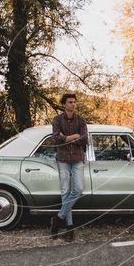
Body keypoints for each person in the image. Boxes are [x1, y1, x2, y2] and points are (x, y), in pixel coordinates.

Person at [50, 93, 88, 241]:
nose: (73, 104)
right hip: (63, 160)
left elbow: (85, 138)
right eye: (70, 102)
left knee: (78, 189)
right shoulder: (57, 120)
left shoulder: (81, 120)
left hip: (77, 159)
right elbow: (56, 138)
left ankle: (58, 218)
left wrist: (65, 138)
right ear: (64, 104)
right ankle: (69, 228)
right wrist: (72, 137)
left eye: (74, 102)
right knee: (65, 192)